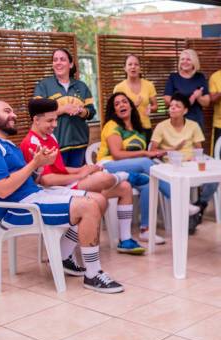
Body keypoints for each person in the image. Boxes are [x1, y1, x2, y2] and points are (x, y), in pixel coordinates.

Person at [0, 101, 123, 293]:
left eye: (13, 111)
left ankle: (63, 256)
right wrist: (33, 163)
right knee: (89, 207)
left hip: (35, 195)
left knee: (98, 200)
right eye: (7, 111)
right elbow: (2, 190)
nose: (14, 115)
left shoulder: (7, 144)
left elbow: (31, 178)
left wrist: (42, 164)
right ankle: (92, 274)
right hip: (17, 209)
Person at [20, 98, 146, 255]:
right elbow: (46, 179)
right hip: (54, 190)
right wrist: (80, 174)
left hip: (65, 183)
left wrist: (83, 169)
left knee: (124, 188)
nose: (55, 125)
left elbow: (59, 168)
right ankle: (125, 175)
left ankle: (125, 240)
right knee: (102, 180)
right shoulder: (31, 143)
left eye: (56, 119)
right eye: (50, 121)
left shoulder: (50, 136)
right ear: (36, 120)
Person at [96, 92, 176, 245]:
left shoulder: (138, 129)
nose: (121, 105)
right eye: (117, 104)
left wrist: (157, 153)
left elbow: (135, 156)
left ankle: (145, 230)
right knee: (145, 162)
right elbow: (117, 154)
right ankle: (177, 197)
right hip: (107, 166)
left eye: (124, 102)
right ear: (114, 111)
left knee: (148, 184)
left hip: (128, 171)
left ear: (131, 106)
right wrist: (146, 153)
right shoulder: (111, 126)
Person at [163, 49, 215, 228]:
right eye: (182, 59)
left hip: (195, 122)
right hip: (177, 123)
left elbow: (207, 102)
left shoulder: (200, 78)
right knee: (182, 163)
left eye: (188, 59)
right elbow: (169, 101)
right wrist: (189, 98)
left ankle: (199, 205)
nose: (184, 61)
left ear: (194, 61)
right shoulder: (173, 78)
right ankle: (186, 208)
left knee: (197, 160)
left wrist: (198, 98)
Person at [150, 92, 210, 234]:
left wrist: (196, 159)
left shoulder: (193, 125)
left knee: (213, 180)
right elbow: (152, 151)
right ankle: (190, 212)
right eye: (171, 106)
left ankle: (198, 205)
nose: (172, 108)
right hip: (170, 165)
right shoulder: (161, 126)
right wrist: (172, 150)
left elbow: (199, 149)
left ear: (185, 110)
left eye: (177, 106)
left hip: (191, 164)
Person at [34, 48, 96, 168]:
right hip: (54, 145)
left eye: (62, 59)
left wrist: (81, 111)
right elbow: (37, 112)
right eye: (55, 60)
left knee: (77, 181)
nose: (58, 62)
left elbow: (91, 112)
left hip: (79, 144)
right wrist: (63, 109)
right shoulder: (44, 85)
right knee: (59, 182)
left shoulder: (81, 86)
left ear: (71, 64)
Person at [113, 54, 158, 144]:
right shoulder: (119, 88)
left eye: (136, 64)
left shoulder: (149, 85)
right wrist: (133, 106)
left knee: (146, 157)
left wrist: (151, 108)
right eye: (130, 64)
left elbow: (155, 106)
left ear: (140, 68)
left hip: (145, 128)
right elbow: (115, 111)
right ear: (125, 68)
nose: (133, 67)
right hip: (127, 129)